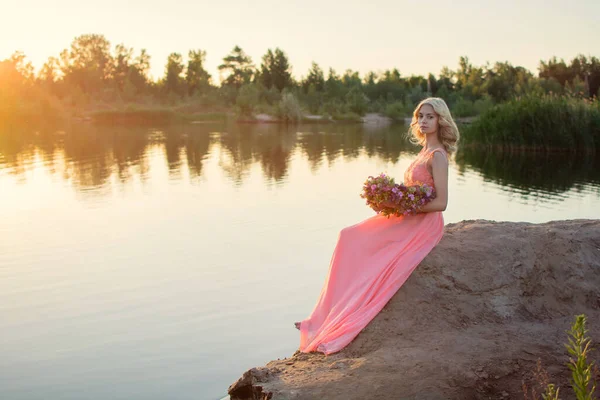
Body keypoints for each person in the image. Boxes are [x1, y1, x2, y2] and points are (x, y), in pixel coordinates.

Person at [294, 97, 460, 355]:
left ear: (441, 120)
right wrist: (392, 199)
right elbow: (415, 191)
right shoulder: (423, 152)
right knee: (348, 237)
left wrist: (405, 206)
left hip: (423, 223)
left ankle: (334, 322)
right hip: (409, 215)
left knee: (358, 243)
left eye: (430, 116)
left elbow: (441, 203)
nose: (424, 121)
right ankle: (317, 320)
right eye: (421, 116)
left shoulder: (438, 156)